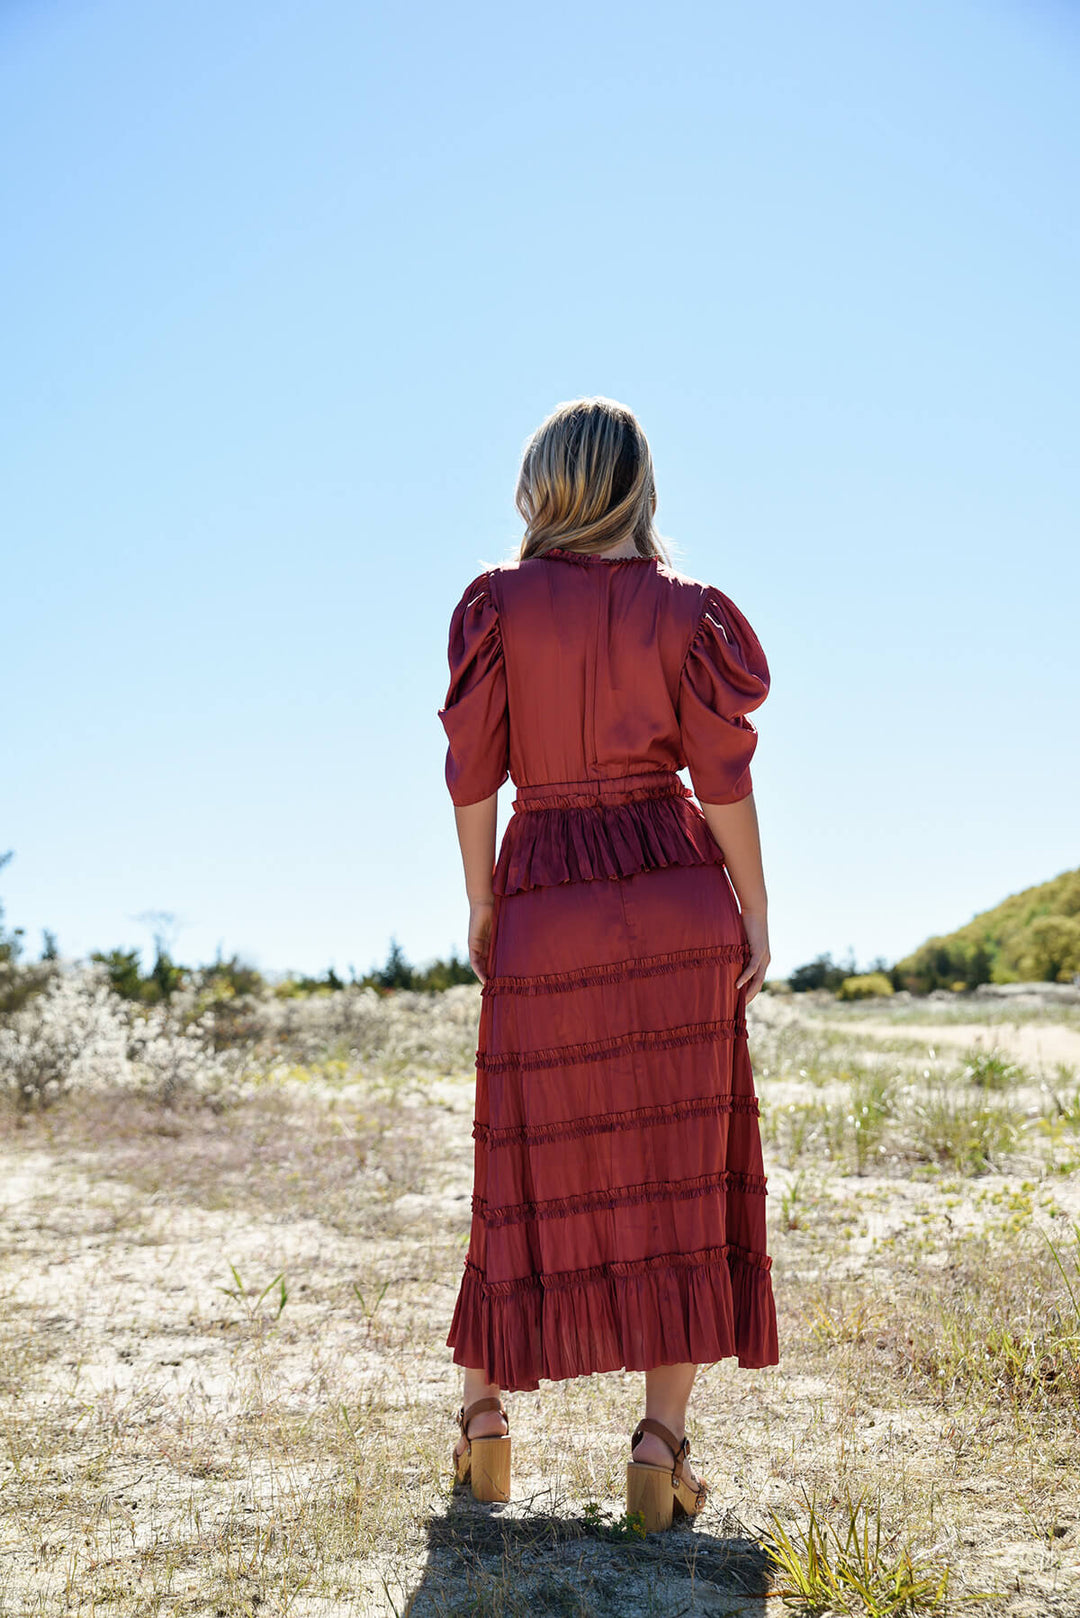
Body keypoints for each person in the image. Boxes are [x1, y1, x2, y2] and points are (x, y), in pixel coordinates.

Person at [438, 396, 778, 1531]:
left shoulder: (496, 606)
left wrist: (485, 902)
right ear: (640, 486)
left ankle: (485, 1420)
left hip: (547, 890)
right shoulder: (690, 613)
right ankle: (659, 1445)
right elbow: (723, 778)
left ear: (543, 482)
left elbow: (473, 772)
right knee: (680, 1168)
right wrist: (756, 911)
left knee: (521, 1158)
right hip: (674, 892)